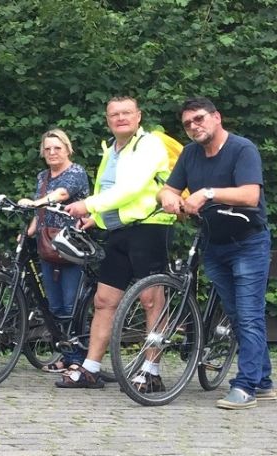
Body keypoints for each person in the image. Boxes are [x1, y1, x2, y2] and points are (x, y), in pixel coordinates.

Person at [159, 97, 272, 409]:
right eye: (187, 124)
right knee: (236, 315)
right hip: (213, 243)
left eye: (199, 119)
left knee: (248, 315)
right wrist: (166, 197)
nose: (194, 126)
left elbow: (250, 195)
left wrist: (207, 193)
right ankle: (263, 381)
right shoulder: (189, 153)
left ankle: (245, 386)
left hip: (247, 242)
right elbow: (168, 188)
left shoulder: (242, 149)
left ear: (216, 117)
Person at [60, 96, 176, 388]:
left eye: (126, 113)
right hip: (118, 230)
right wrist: (96, 217)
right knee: (104, 301)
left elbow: (131, 189)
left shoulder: (149, 145)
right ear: (108, 119)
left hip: (150, 226)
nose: (121, 118)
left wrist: (88, 205)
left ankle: (151, 371)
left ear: (139, 116)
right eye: (114, 114)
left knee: (151, 300)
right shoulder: (111, 149)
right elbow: (109, 190)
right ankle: (91, 368)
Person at [16, 129, 90, 373]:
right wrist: (28, 233)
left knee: (71, 306)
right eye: (47, 149)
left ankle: (79, 359)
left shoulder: (76, 172)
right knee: (55, 306)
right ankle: (67, 357)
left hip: (71, 247)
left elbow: (62, 194)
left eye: (57, 148)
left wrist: (37, 202)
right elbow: (41, 212)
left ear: (68, 149)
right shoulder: (43, 176)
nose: (52, 152)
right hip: (47, 246)